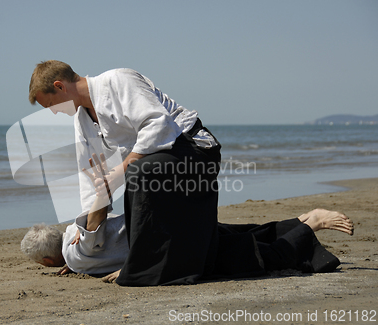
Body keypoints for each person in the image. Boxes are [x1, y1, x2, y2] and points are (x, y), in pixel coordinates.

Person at [27, 60, 354, 286]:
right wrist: (90, 227)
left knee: (141, 175)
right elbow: (91, 175)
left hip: (193, 152)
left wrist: (119, 173)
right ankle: (301, 226)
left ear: (60, 86)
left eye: (50, 105)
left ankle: (141, 267)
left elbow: (158, 124)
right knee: (205, 238)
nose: (54, 113)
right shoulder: (82, 121)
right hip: (157, 168)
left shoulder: (117, 81)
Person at [21, 154, 354, 284]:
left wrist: (102, 186)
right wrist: (73, 261)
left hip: (174, 239)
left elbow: (92, 231)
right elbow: (86, 236)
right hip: (177, 227)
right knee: (251, 234)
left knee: (257, 254)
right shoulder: (71, 245)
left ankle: (312, 224)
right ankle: (304, 218)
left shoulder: (78, 251)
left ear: (49, 260)